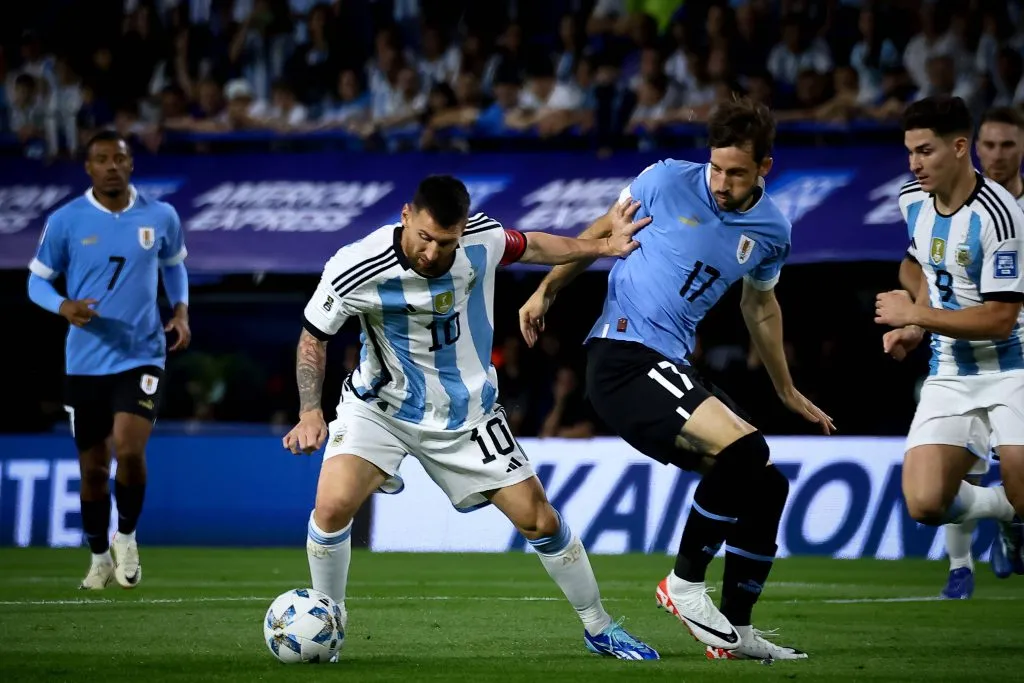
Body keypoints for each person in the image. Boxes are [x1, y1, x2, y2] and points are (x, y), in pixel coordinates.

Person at [282, 175, 659, 660]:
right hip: (382, 408)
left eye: (447, 242)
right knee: (331, 507)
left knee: (539, 520)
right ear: (406, 216)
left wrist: (599, 245)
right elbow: (314, 335)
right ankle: (328, 621)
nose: (434, 253)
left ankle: (599, 627)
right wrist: (310, 410)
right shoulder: (354, 266)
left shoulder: (481, 238)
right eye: (425, 238)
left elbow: (535, 245)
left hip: (468, 415)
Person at [519, 98, 833, 661]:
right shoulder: (664, 180)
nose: (720, 181)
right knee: (745, 451)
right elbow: (603, 232)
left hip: (669, 363)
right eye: (715, 167)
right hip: (622, 356)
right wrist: (545, 291)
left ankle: (735, 631)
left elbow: (760, 305)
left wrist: (785, 388)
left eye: (736, 172)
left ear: (765, 166)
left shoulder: (772, 230)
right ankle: (684, 584)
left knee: (766, 483)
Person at [26, 130, 190, 589]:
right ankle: (99, 555)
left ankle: (128, 535)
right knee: (93, 471)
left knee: (130, 449)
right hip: (85, 362)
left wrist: (180, 310)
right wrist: (63, 306)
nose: (111, 166)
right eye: (102, 159)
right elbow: (36, 283)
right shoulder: (66, 220)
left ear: (131, 163)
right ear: (89, 168)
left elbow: (174, 264)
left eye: (119, 158)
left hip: (143, 354)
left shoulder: (160, 215)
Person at [876, 95, 1024, 597]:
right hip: (951, 370)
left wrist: (915, 314)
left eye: (925, 152)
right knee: (924, 504)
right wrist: (917, 326)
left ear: (960, 148)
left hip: (1014, 368)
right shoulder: (912, 200)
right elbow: (923, 267)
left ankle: (1014, 512)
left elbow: (1002, 319)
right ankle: (1004, 512)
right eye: (910, 152)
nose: (914, 164)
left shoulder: (1000, 216)